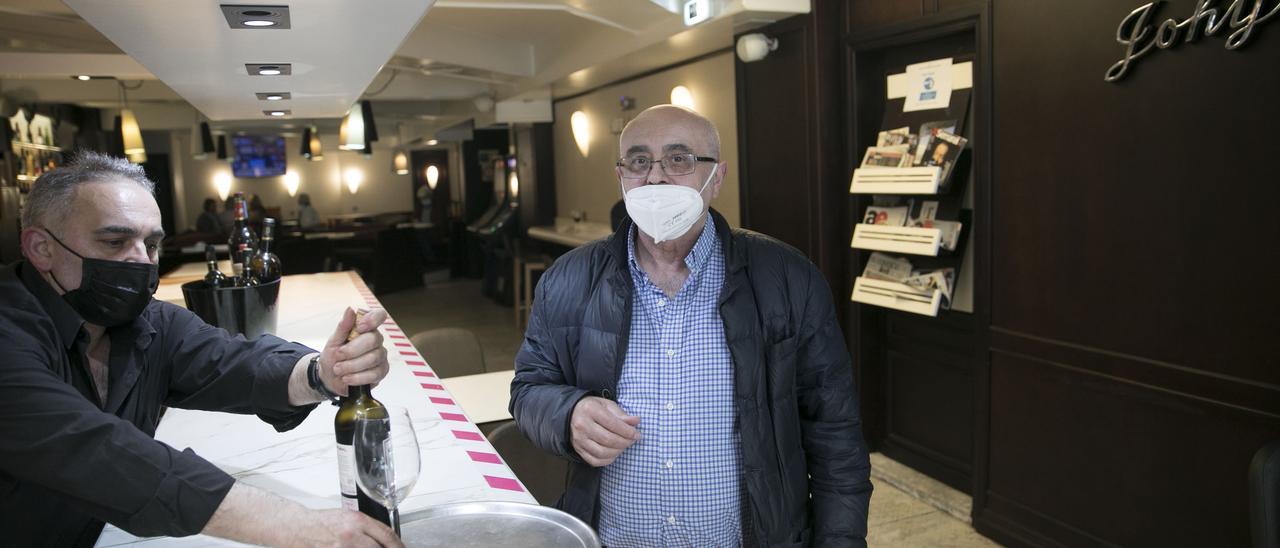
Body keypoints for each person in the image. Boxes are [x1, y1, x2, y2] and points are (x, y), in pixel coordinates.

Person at [511, 105, 872, 547]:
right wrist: (567, 414)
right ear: (621, 175)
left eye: (679, 159)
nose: (656, 178)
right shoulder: (568, 280)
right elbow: (529, 387)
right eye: (639, 161)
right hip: (614, 538)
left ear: (716, 178)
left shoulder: (788, 279)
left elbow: (836, 434)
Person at [0, 152, 401, 548]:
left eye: (152, 245)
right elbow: (90, 448)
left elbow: (232, 360)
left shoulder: (146, 324)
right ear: (41, 248)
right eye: (115, 241)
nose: (141, 261)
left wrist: (322, 372)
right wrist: (289, 523)